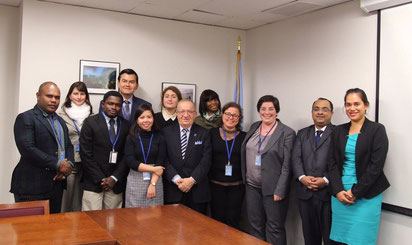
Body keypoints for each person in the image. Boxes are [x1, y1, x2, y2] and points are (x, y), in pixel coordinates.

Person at [327, 88, 390, 245]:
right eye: (348, 104)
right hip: (340, 194)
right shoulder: (338, 131)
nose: (352, 108)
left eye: (357, 104)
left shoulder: (377, 130)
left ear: (366, 105)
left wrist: (355, 192)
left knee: (361, 240)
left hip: (366, 194)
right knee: (338, 240)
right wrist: (338, 191)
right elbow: (331, 163)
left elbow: (376, 166)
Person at [11, 82, 74, 214]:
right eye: (49, 96)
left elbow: (68, 145)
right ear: (38, 96)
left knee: (52, 230)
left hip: (56, 184)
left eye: (57, 97)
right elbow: (27, 149)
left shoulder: (60, 121)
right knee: (30, 231)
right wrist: (58, 164)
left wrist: (68, 164)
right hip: (32, 186)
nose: (53, 100)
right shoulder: (26, 118)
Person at [241, 95, 295, 245]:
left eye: (271, 109)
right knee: (255, 226)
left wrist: (281, 189)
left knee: (274, 228)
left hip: (273, 190)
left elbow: (287, 164)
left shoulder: (287, 133)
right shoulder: (254, 127)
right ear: (259, 111)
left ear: (277, 111)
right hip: (252, 186)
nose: (267, 112)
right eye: (263, 109)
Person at [292, 98, 335, 245]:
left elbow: (340, 163)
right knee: (310, 238)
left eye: (325, 109)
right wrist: (302, 177)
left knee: (330, 239)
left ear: (331, 113)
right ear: (312, 112)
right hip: (305, 194)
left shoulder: (338, 133)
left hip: (328, 195)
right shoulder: (302, 133)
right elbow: (295, 158)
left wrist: (325, 180)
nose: (320, 112)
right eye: (316, 109)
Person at [80, 91, 130, 210]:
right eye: (110, 103)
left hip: (115, 183)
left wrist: (114, 177)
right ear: (103, 104)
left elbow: (126, 155)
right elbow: (85, 154)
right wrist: (101, 179)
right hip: (93, 181)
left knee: (112, 222)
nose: (114, 107)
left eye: (118, 105)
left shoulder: (126, 125)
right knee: (91, 222)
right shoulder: (90, 123)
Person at [163, 99, 212, 214]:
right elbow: (164, 159)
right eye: (182, 111)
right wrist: (176, 179)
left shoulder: (204, 133)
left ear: (195, 114)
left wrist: (191, 180)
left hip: (197, 191)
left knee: (197, 229)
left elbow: (206, 160)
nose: (186, 115)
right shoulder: (166, 132)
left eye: (190, 111)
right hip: (174, 189)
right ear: (177, 113)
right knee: (172, 228)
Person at [209, 102, 246, 229]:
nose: (231, 118)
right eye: (228, 114)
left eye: (235, 115)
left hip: (237, 187)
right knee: (216, 222)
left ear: (239, 118)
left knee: (233, 222)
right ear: (222, 115)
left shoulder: (245, 137)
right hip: (215, 186)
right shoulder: (211, 134)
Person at [58, 81, 93, 212]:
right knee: (66, 199)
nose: (79, 97)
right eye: (75, 93)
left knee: (81, 200)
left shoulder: (91, 114)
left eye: (82, 94)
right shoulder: (61, 115)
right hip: (69, 161)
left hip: (86, 162)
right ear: (69, 96)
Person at [125, 104, 167, 207]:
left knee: (155, 216)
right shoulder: (131, 137)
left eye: (149, 117)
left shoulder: (160, 137)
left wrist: (152, 184)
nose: (146, 120)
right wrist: (153, 169)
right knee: (134, 216)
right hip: (136, 179)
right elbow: (130, 161)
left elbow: (160, 163)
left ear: (153, 118)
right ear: (137, 120)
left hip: (155, 179)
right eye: (142, 117)